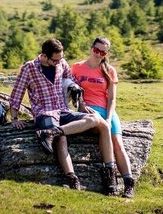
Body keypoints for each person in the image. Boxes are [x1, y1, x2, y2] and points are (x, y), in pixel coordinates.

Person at [8, 38, 119, 194]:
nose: (59, 62)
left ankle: (52, 132)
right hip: (44, 113)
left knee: (94, 120)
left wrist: (81, 103)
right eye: (55, 59)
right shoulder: (29, 68)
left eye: (61, 58)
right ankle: (72, 178)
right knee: (62, 139)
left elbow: (73, 82)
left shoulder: (61, 63)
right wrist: (14, 118)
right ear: (44, 56)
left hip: (63, 110)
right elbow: (17, 92)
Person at [70, 37, 137, 198]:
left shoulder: (110, 70)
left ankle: (129, 184)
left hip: (107, 111)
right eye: (96, 50)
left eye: (103, 52)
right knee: (103, 130)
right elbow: (72, 90)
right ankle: (110, 179)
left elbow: (112, 98)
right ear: (91, 48)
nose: (98, 54)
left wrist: (109, 117)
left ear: (106, 53)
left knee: (118, 143)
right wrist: (81, 103)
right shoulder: (76, 67)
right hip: (88, 111)